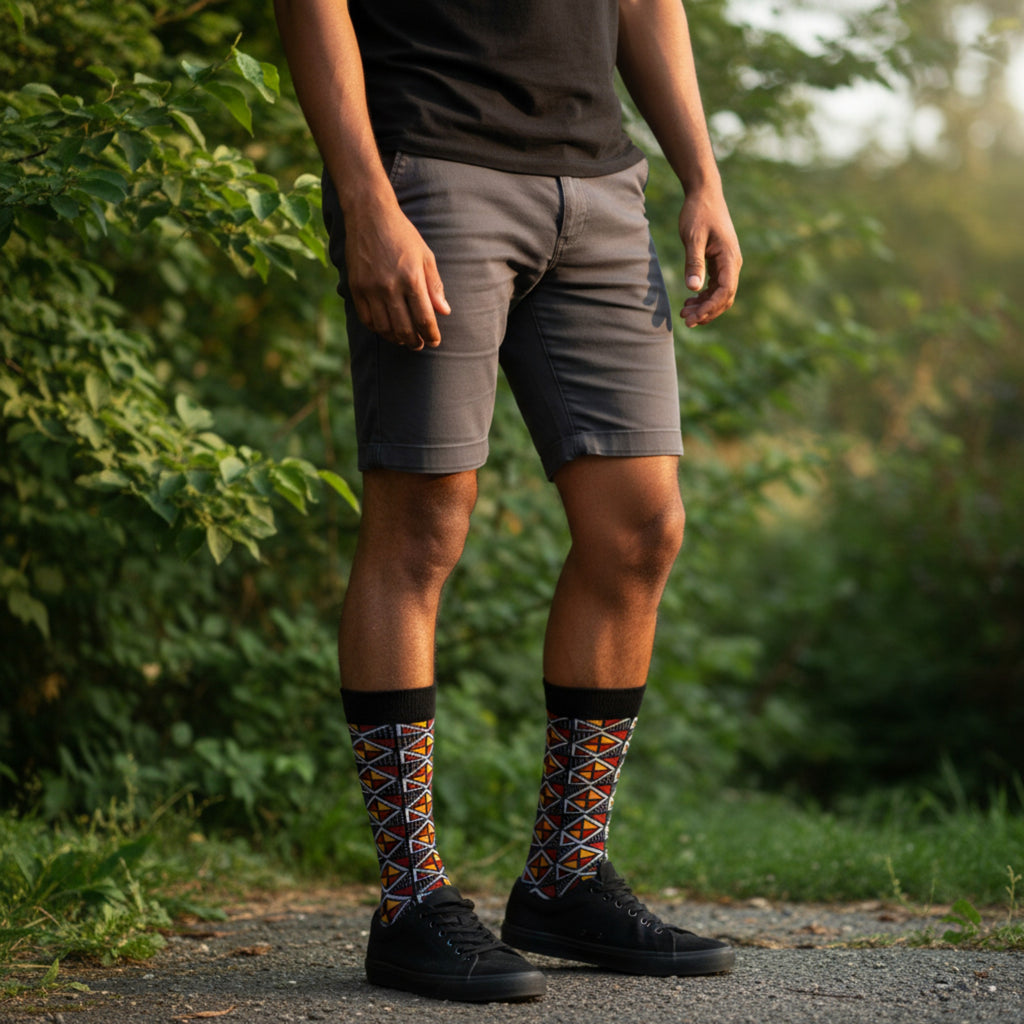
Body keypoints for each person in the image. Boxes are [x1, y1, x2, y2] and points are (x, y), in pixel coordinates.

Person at [274, 0, 742, 1004]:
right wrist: (365, 196)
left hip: (602, 180)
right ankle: (410, 900)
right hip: (434, 166)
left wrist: (701, 175)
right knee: (421, 527)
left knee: (640, 530)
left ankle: (565, 876)